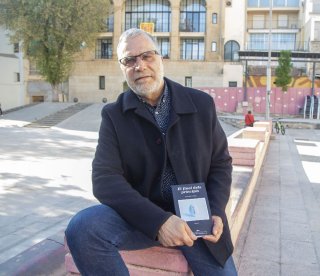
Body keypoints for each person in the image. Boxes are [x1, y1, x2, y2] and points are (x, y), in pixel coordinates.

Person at [65, 28, 237, 276]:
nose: (139, 66)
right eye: (129, 60)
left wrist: (217, 210)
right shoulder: (114, 115)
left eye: (147, 56)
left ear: (160, 58)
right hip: (140, 217)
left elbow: (220, 163)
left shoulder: (201, 104)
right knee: (83, 227)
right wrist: (159, 222)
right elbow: (105, 179)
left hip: (196, 218)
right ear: (122, 68)